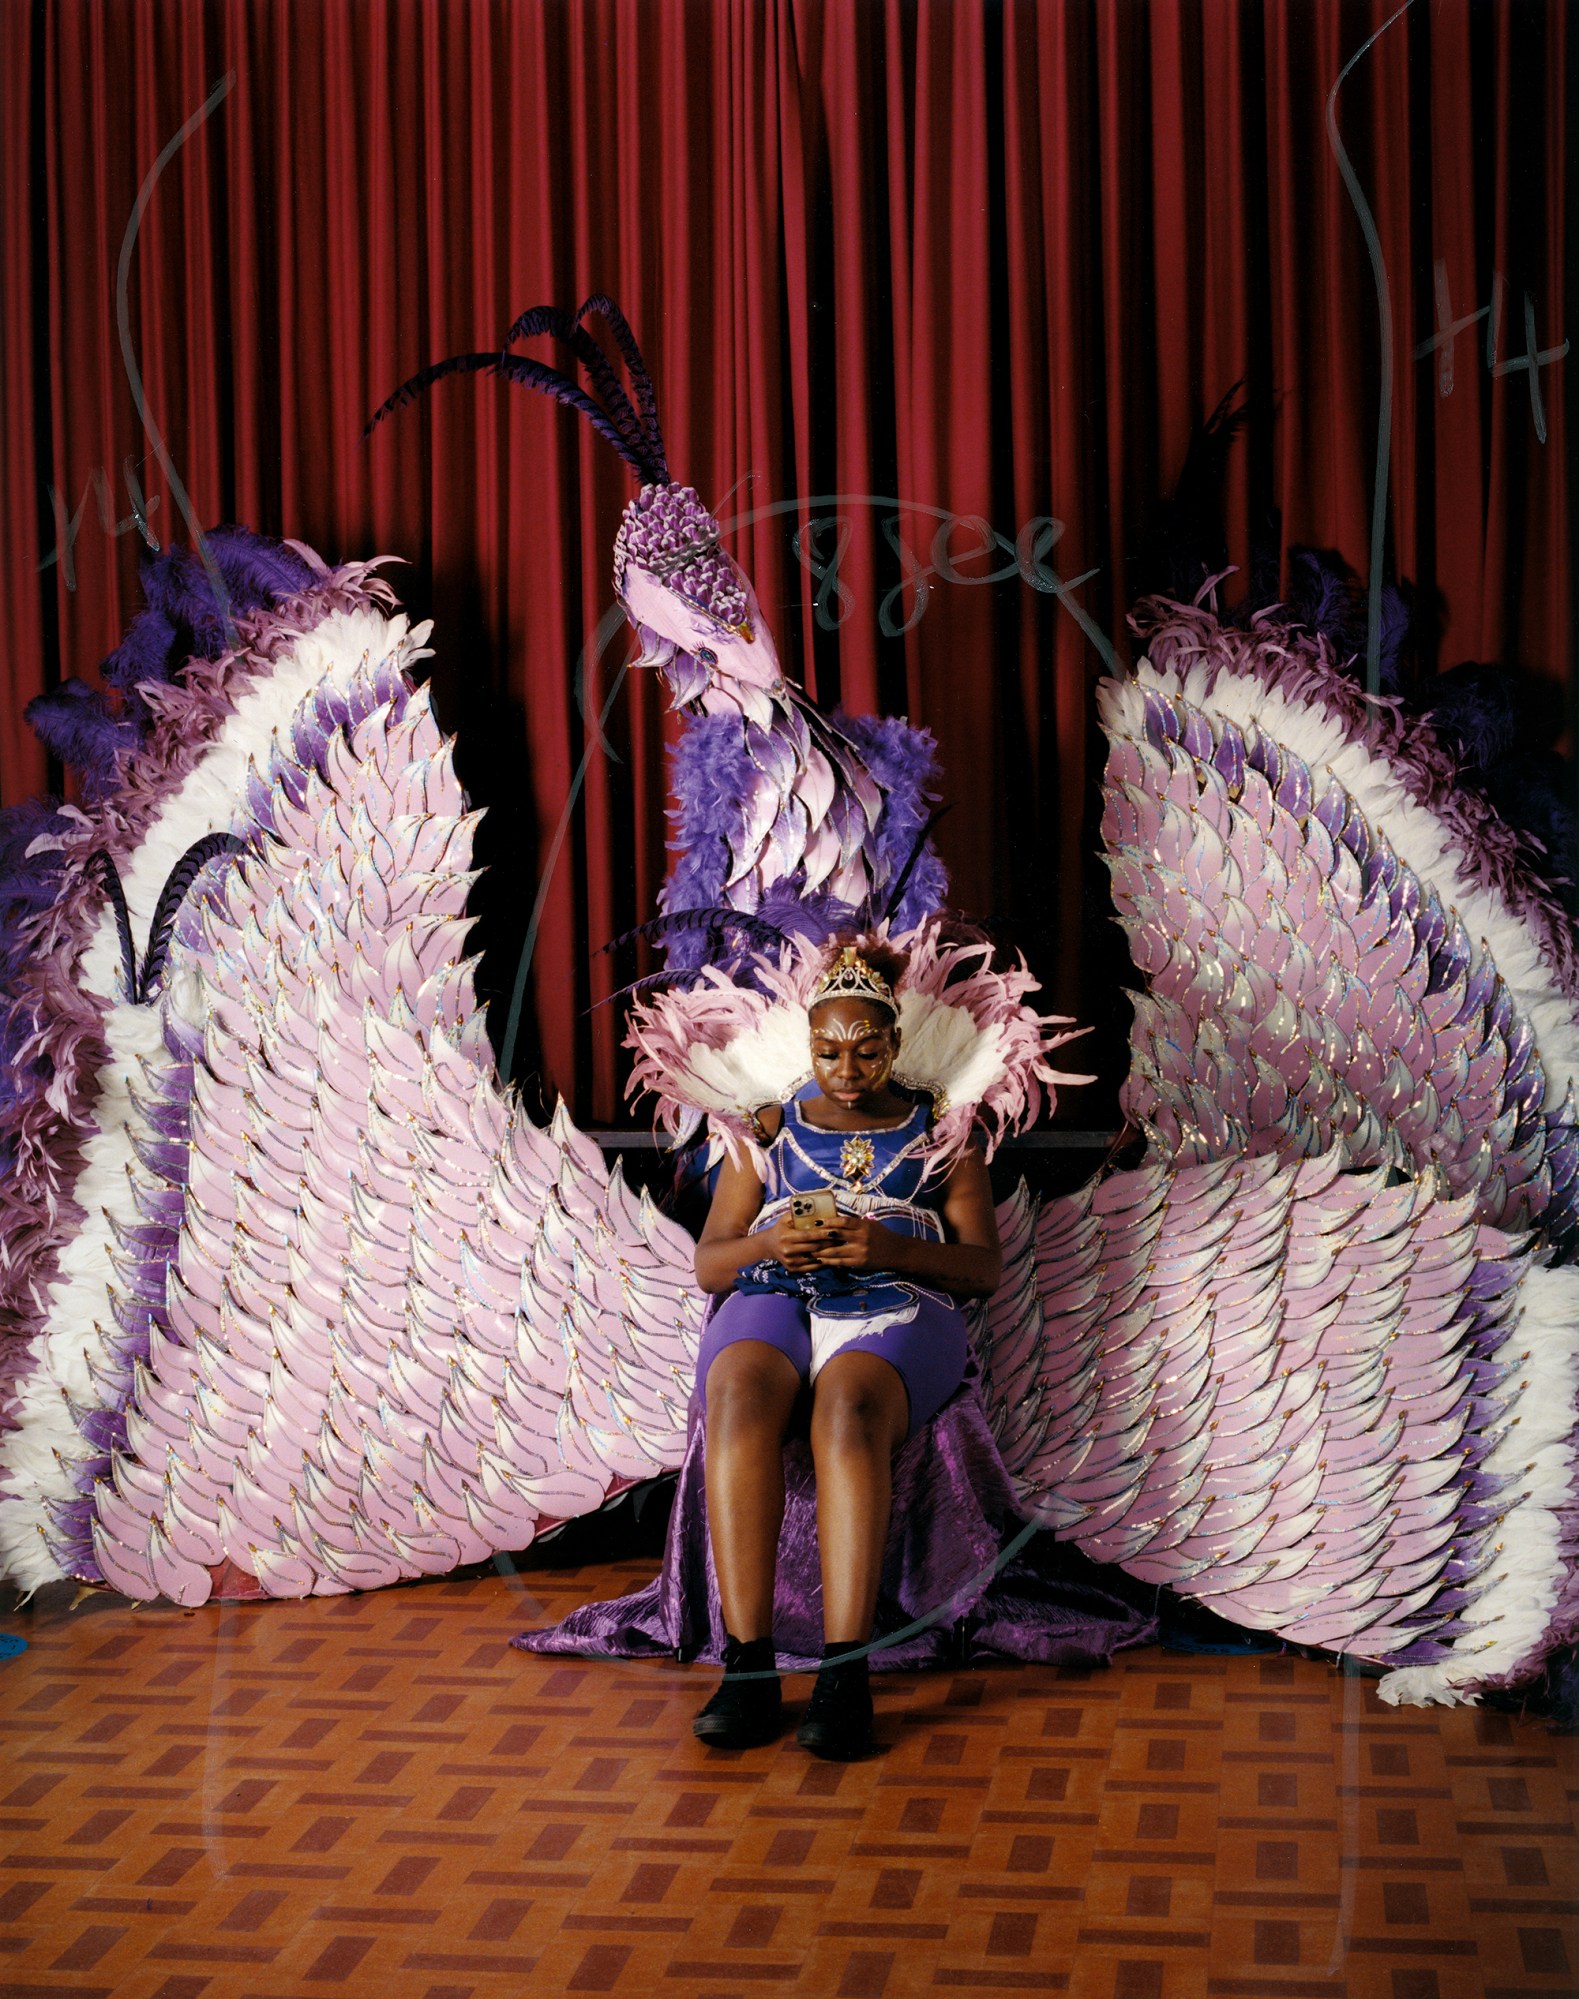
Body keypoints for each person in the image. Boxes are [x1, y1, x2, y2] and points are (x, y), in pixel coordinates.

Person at [689, 936, 1003, 1758]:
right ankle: (748, 1666)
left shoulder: (944, 1132)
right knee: (741, 1390)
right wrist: (770, 1247)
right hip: (777, 1288)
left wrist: (890, 1248)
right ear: (808, 1045)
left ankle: (844, 1670)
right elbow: (708, 1262)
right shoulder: (767, 1131)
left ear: (894, 1045)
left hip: (895, 1295)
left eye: (866, 1049)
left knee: (847, 1408)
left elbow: (982, 1268)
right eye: (828, 1050)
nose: (847, 1067)